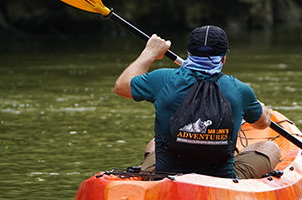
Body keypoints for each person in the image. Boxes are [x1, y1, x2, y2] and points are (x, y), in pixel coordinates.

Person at [114, 25, 281, 179]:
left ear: (188, 54)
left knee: (153, 143)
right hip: (222, 183)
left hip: (166, 179)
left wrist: (150, 52)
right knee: (270, 147)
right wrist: (259, 107)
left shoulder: (163, 79)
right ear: (223, 59)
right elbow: (262, 123)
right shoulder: (240, 90)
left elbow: (122, 86)